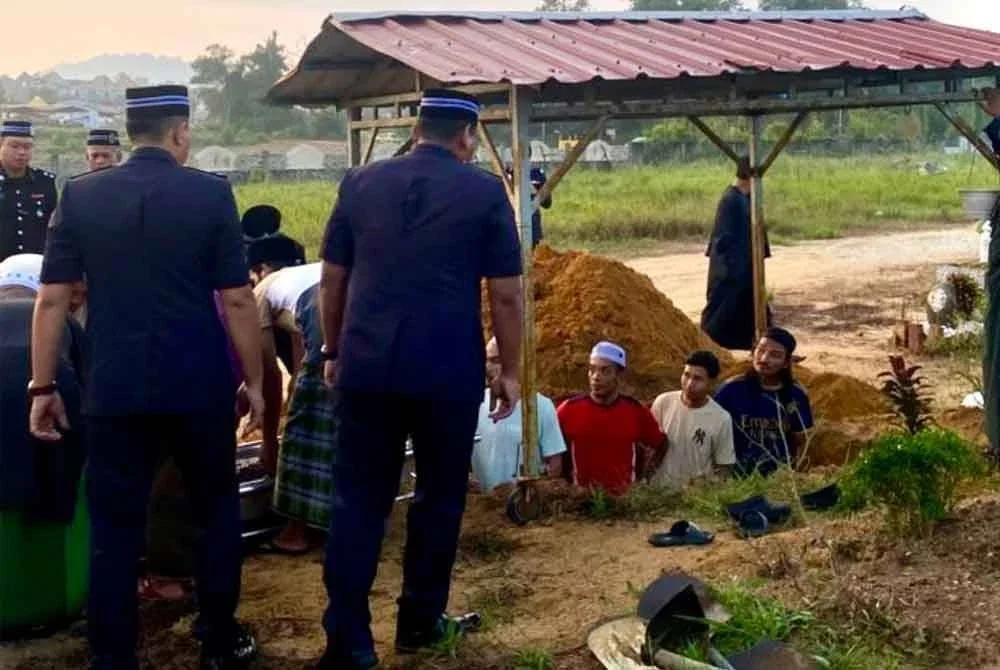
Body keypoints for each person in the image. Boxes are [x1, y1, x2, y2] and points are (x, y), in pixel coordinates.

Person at [30, 84, 265, 670]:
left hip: (114, 387)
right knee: (213, 514)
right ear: (180, 133)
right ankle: (217, 642)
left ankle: (112, 657)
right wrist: (256, 383)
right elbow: (237, 300)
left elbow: (52, 299)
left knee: (113, 528)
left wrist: (43, 386)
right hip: (198, 387)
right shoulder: (210, 196)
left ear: (130, 132)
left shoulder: (81, 196)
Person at [316, 88, 523, 669]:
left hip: (366, 369)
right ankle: (419, 623)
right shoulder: (482, 191)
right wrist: (509, 371)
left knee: (358, 501)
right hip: (445, 373)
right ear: (466, 137)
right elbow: (505, 295)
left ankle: (350, 640)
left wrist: (333, 350)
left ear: (417, 129)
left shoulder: (359, 184)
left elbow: (333, 280)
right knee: (438, 499)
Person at [247, 237, 328, 554]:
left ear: (259, 269)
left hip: (330, 316)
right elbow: (299, 367)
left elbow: (269, 376)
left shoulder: (262, 288)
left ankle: (296, 533)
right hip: (370, 306)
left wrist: (269, 443)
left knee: (304, 434)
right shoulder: (307, 274)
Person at [556, 341, 666, 496]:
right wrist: (566, 485)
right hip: (580, 504)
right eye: (592, 370)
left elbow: (660, 443)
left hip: (624, 506)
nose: (596, 377)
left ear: (619, 375)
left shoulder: (635, 410)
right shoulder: (568, 409)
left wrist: (644, 481)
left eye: (605, 371)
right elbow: (551, 450)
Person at [713, 327, 814, 477]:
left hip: (779, 479)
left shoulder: (796, 395)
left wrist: (796, 477)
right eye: (761, 350)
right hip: (736, 478)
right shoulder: (730, 390)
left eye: (775, 355)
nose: (764, 359)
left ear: (787, 362)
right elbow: (712, 433)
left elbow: (802, 442)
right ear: (753, 352)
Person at [471, 337, 566, 492]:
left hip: (521, 504)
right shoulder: (475, 403)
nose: (489, 367)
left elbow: (554, 464)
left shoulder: (541, 406)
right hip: (483, 505)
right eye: (487, 360)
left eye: (496, 361)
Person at [700, 157, 772, 351]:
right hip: (730, 271)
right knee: (721, 312)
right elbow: (723, 242)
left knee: (755, 309)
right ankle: (705, 346)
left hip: (744, 268)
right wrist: (734, 271)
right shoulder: (732, 200)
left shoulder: (744, 199)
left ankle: (768, 347)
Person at [650, 351, 735, 488]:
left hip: (693, 499)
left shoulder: (721, 418)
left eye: (698, 379)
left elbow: (724, 466)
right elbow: (649, 448)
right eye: (686, 375)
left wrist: (708, 487)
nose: (689, 384)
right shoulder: (663, 402)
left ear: (712, 382)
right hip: (658, 492)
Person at [0, 120, 58, 261]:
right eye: (14, 146)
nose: (22, 152)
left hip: (34, 266)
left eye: (27, 147)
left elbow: (53, 228)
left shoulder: (44, 182)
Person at [504, 164, 552, 248]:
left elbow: (547, 203)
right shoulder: (504, 174)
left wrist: (533, 189)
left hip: (533, 232)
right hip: (509, 234)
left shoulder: (535, 173)